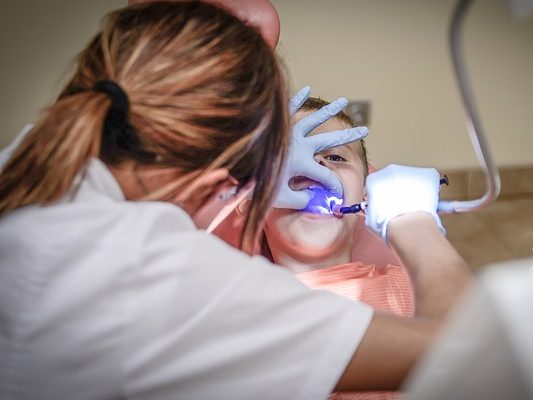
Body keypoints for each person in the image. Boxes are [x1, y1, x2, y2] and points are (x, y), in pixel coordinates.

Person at [0, 2, 471, 400]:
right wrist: (412, 217)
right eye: (276, 160)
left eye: (334, 158)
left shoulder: (30, 165)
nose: (314, 176)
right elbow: (463, 350)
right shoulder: (184, 279)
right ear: (238, 184)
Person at [264, 98, 414, 400]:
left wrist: (415, 228)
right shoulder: (241, 308)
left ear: (366, 194)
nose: (316, 167)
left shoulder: (403, 288)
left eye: (334, 158)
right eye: (288, 157)